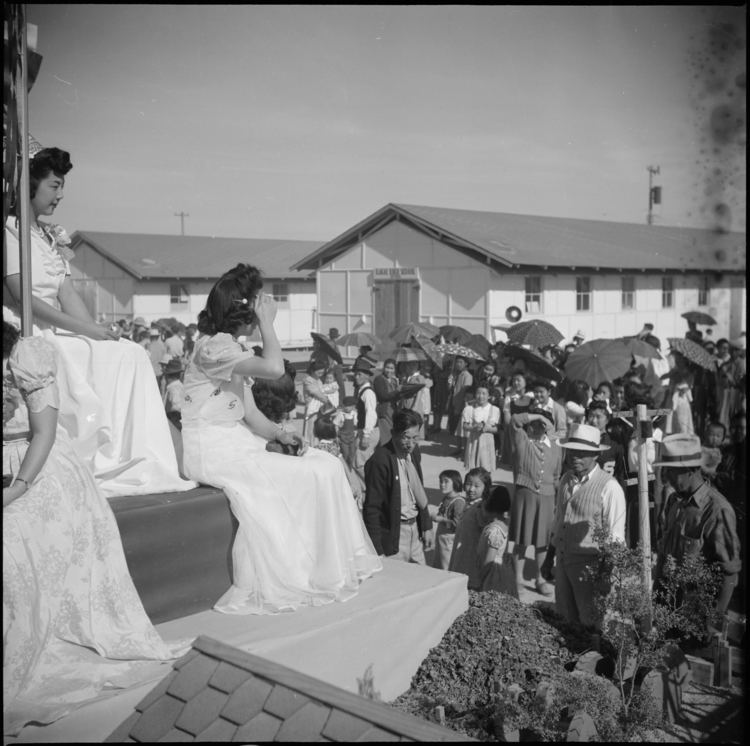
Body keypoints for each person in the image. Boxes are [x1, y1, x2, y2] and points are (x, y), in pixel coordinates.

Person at [2, 321, 186, 735]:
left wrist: (15, 491)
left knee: (9, 545)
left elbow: (43, 434)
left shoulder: (23, 357)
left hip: (37, 468)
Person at [181, 263, 381, 614]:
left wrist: (281, 433)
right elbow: (274, 369)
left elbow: (249, 412)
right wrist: (269, 325)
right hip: (213, 450)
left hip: (236, 441)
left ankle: (328, 564)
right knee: (307, 475)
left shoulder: (228, 346)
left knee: (326, 463)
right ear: (244, 315)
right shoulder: (212, 349)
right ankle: (309, 570)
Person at [4, 145, 193, 497]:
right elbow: (22, 297)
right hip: (24, 328)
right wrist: (87, 330)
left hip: (55, 326)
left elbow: (67, 293)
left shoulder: (46, 237)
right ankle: (111, 455)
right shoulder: (10, 230)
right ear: (30, 184)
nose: (60, 195)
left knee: (129, 351)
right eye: (53, 185)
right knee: (116, 354)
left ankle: (137, 456)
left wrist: (100, 332)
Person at [542, 423, 626, 630]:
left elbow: (616, 538)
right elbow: (559, 520)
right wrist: (549, 558)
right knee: (564, 619)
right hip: (563, 560)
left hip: (590, 568)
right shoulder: (566, 480)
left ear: (595, 455)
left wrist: (605, 576)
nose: (575, 458)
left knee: (590, 624)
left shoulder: (610, 487)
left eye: (582, 454)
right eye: (571, 452)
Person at [653, 434, 741, 624]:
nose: (666, 477)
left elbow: (730, 572)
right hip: (666, 609)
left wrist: (713, 619)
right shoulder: (674, 502)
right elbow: (663, 554)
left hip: (695, 615)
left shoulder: (717, 510)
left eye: (671, 471)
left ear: (692, 470)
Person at [362, 408, 434, 562]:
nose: (411, 444)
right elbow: (372, 508)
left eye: (415, 438)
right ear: (394, 433)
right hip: (395, 535)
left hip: (415, 531)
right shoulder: (380, 461)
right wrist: (377, 548)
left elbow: (418, 490)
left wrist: (426, 525)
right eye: (406, 437)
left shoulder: (413, 454)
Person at [509, 408, 562, 596]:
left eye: (543, 423)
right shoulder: (522, 440)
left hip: (547, 498)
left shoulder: (555, 447)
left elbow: (556, 476)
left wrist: (558, 501)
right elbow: (515, 419)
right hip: (526, 496)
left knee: (542, 542)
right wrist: (538, 415)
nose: (538, 426)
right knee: (522, 540)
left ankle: (540, 578)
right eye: (535, 423)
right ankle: (517, 579)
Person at [447, 468, 495, 589]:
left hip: (471, 560)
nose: (471, 489)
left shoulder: (480, 508)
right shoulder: (469, 504)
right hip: (462, 556)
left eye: (476, 486)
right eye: (468, 484)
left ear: (485, 488)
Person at [477, 485, 518, 597]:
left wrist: (481, 578)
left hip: (492, 577)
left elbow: (489, 561)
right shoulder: (503, 524)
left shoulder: (494, 531)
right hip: (501, 573)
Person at [430, 469, 466, 570]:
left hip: (449, 541)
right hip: (441, 538)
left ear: (455, 482)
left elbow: (457, 525)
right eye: (441, 481)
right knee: (439, 564)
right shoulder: (446, 498)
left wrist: (441, 519)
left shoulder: (459, 502)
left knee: (447, 565)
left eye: (446, 481)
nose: (442, 484)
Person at [461, 383, 500, 472]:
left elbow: (496, 429)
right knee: (473, 469)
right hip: (474, 441)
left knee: (486, 469)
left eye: (484, 393)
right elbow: (465, 426)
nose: (480, 396)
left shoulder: (494, 410)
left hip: (487, 442)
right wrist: (474, 428)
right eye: (478, 393)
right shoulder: (469, 409)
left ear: (489, 396)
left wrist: (487, 429)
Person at [351, 356, 379, 480]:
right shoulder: (361, 390)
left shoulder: (368, 392)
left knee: (360, 463)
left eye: (359, 374)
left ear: (367, 375)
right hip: (363, 430)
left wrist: (366, 435)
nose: (356, 377)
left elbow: (371, 414)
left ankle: (373, 487)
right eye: (355, 374)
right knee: (360, 461)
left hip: (368, 431)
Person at [446, 356, 473, 453]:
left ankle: (464, 449)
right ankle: (458, 447)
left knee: (462, 427)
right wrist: (450, 381)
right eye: (457, 362)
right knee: (456, 427)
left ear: (466, 364)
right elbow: (450, 389)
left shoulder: (467, 376)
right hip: (453, 401)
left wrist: (460, 405)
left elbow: (465, 391)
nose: (458, 364)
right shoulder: (455, 374)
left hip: (461, 404)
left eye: (461, 362)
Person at [373, 357, 402, 445]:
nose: (389, 370)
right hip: (384, 411)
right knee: (385, 436)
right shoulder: (379, 379)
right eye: (387, 367)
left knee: (392, 434)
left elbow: (396, 397)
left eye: (391, 368)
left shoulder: (394, 380)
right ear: (383, 368)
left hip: (393, 411)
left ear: (395, 369)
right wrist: (397, 391)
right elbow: (383, 396)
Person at [499, 372, 526, 465]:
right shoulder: (509, 396)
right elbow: (506, 411)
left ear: (525, 382)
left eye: (519, 380)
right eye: (514, 380)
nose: (516, 382)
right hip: (514, 426)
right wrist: (510, 426)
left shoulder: (531, 396)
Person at [400, 360, 431, 439]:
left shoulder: (419, 377)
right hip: (406, 402)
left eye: (414, 364)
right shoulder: (407, 377)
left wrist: (415, 406)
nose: (411, 366)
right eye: (409, 364)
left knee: (413, 426)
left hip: (413, 402)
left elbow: (419, 393)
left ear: (418, 366)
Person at [301, 356, 329, 442]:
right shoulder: (308, 380)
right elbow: (316, 393)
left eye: (323, 370)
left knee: (318, 429)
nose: (321, 371)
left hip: (319, 409)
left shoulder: (319, 380)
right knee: (311, 430)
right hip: (312, 409)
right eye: (319, 370)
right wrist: (327, 401)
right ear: (313, 370)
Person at [162, 357, 185, 429]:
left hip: (173, 424)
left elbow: (177, 407)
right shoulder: (179, 386)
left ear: (167, 375)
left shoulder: (173, 388)